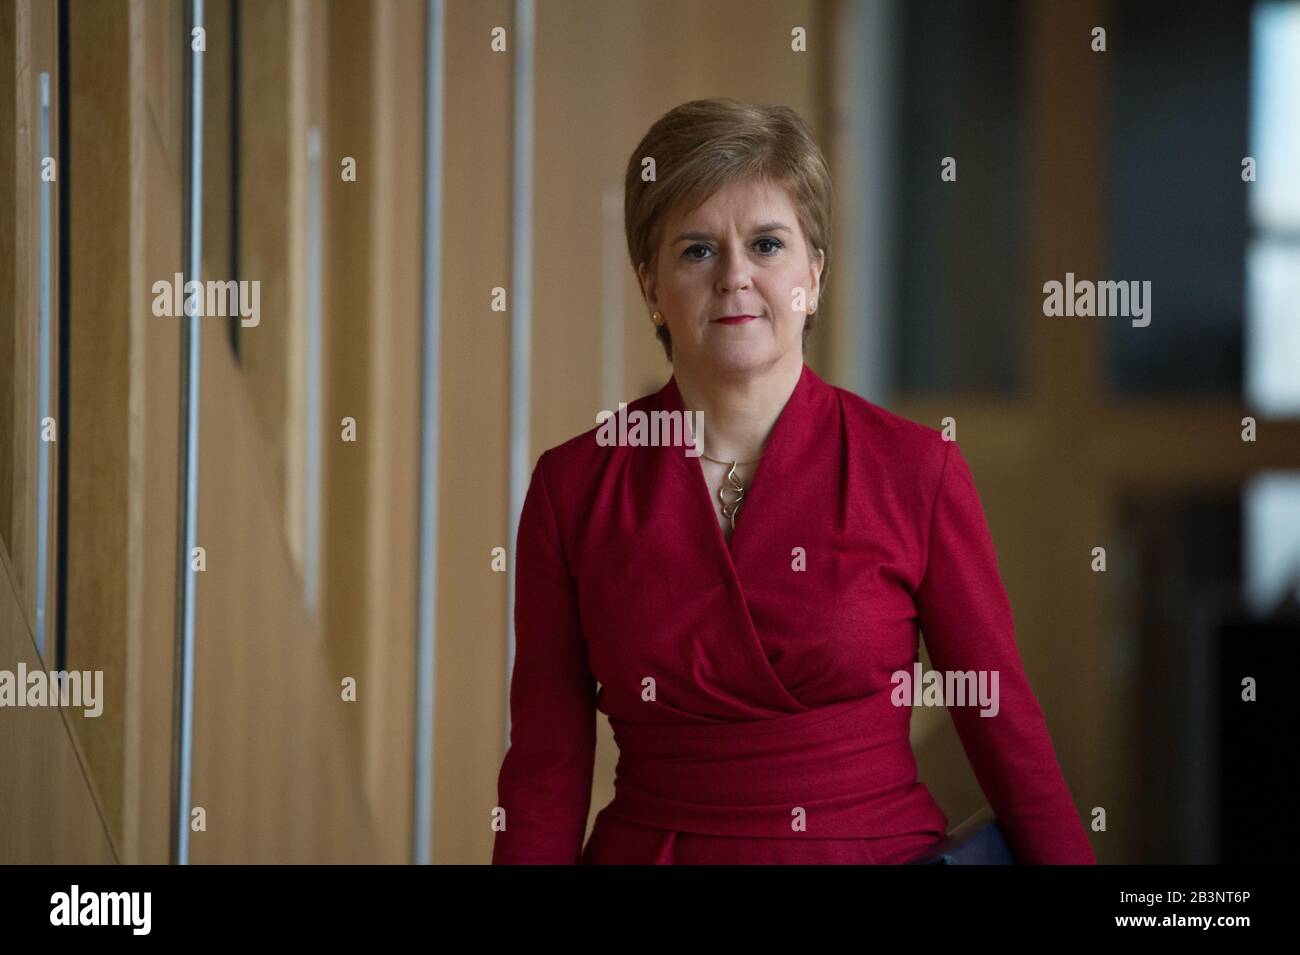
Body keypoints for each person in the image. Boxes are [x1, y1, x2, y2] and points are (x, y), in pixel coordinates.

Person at [491, 97, 1096, 865]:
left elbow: (1001, 720)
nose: (735, 277)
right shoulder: (572, 487)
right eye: (697, 250)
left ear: (814, 272)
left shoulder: (917, 470)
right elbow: (544, 767)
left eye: (767, 245)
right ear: (651, 287)